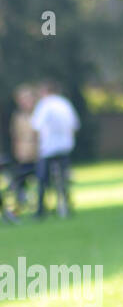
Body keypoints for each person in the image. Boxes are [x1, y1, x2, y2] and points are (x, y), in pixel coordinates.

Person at [30, 80, 79, 219]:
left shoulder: (45, 104)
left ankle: (40, 210)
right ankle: (66, 206)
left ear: (45, 91)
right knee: (63, 179)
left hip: (48, 148)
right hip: (65, 146)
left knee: (42, 179)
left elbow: (36, 126)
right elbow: (75, 125)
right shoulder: (65, 104)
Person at [9, 85, 40, 212]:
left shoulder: (40, 113)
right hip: (23, 155)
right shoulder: (18, 117)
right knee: (20, 181)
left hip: (38, 153)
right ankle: (21, 203)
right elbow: (15, 135)